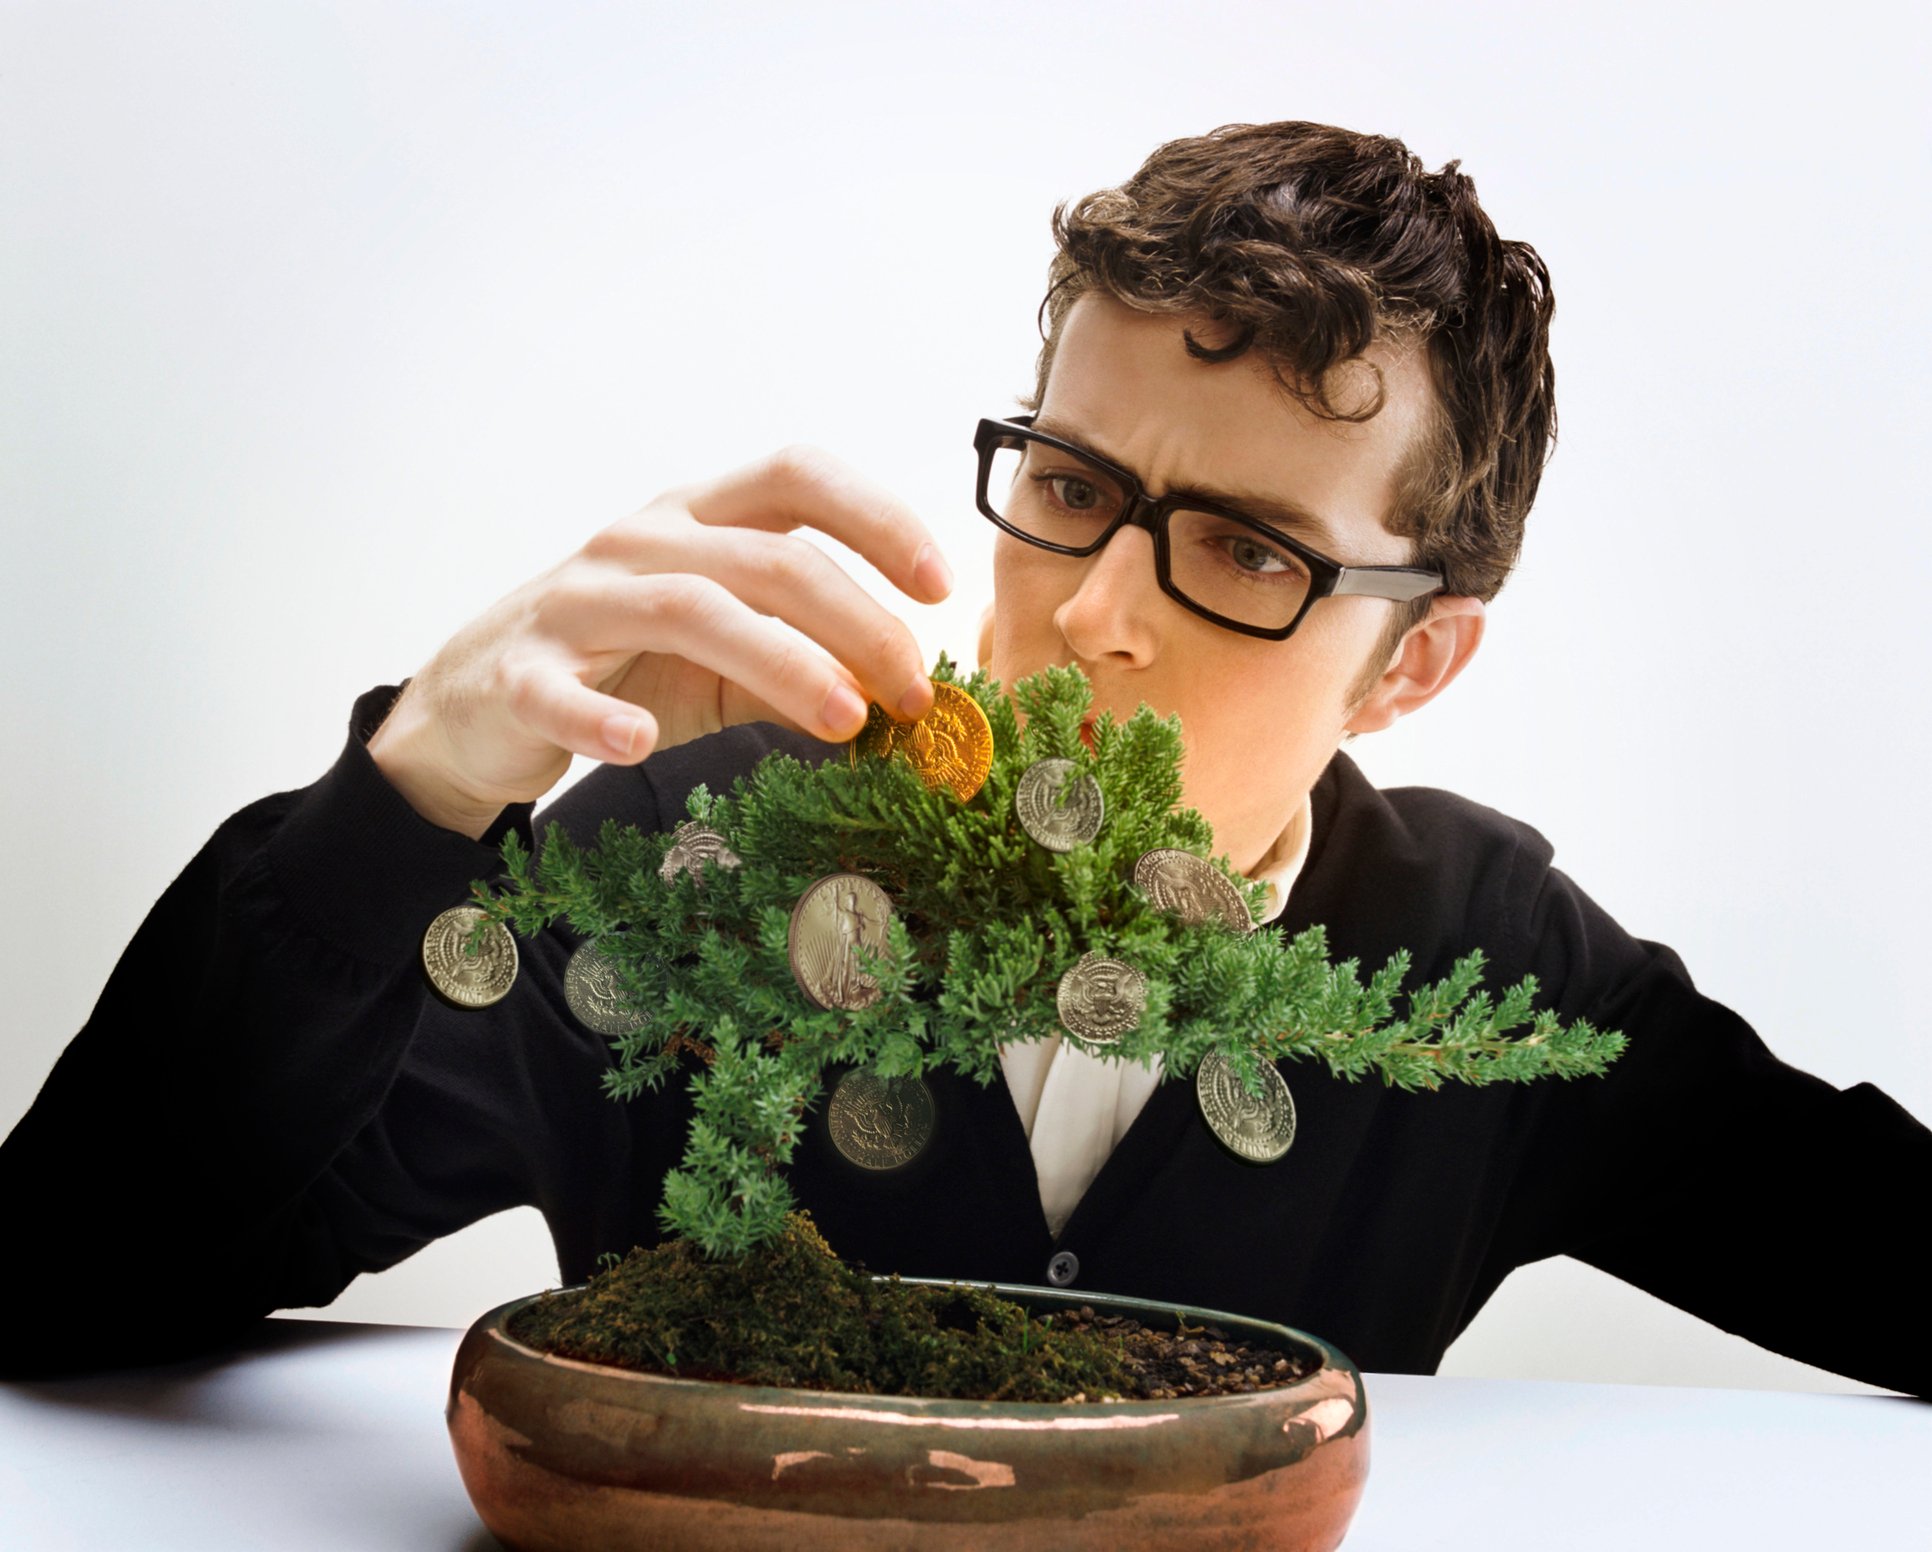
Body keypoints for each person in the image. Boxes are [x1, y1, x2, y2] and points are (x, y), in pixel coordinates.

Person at [3, 120, 1925, 1394]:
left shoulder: (1482, 953)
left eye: (1250, 551)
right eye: (1074, 489)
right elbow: (70, 1283)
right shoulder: (698, 848)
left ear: (1411, 664)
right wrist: (414, 793)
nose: (1095, 615)